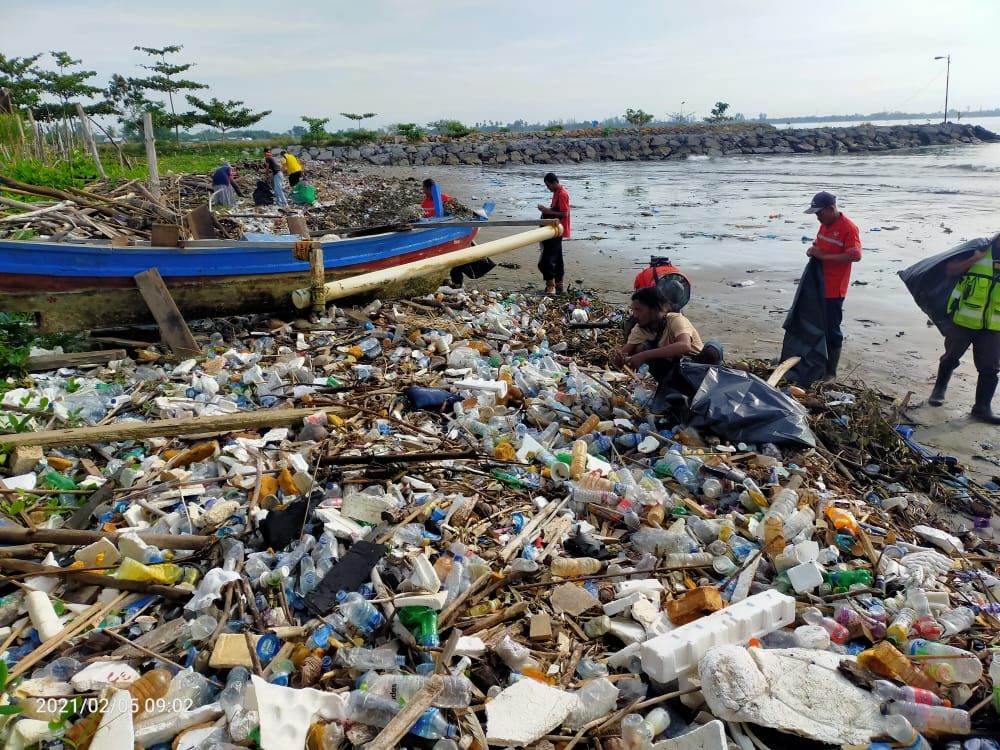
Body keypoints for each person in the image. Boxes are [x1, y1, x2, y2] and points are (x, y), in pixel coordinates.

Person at [928, 232, 1000, 423]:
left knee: (990, 367)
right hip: (963, 320)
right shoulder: (980, 249)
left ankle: (982, 408)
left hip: (994, 325)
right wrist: (975, 259)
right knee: (951, 356)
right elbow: (951, 270)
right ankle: (939, 389)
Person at [804, 190, 862, 382]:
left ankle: (831, 372)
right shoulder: (825, 225)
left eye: (820, 213)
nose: (817, 217)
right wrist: (814, 250)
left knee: (831, 329)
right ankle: (816, 362)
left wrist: (824, 256)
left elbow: (855, 255)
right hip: (819, 285)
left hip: (834, 289)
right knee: (815, 325)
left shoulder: (848, 228)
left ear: (831, 209)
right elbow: (821, 245)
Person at [612, 285, 723, 374]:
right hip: (675, 368)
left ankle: (718, 375)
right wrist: (619, 359)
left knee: (712, 349)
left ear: (654, 309)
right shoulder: (641, 328)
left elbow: (684, 346)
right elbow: (624, 353)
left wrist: (644, 355)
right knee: (641, 347)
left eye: (639, 310)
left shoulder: (675, 319)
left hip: (697, 362)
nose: (635, 315)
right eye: (633, 310)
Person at [537, 172, 571, 294]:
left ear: (554, 182)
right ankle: (559, 285)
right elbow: (556, 209)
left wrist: (546, 210)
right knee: (557, 258)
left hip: (557, 230)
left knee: (548, 259)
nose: (548, 188)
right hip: (554, 229)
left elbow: (564, 213)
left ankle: (551, 286)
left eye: (548, 185)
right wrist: (546, 210)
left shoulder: (562, 194)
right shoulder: (557, 193)